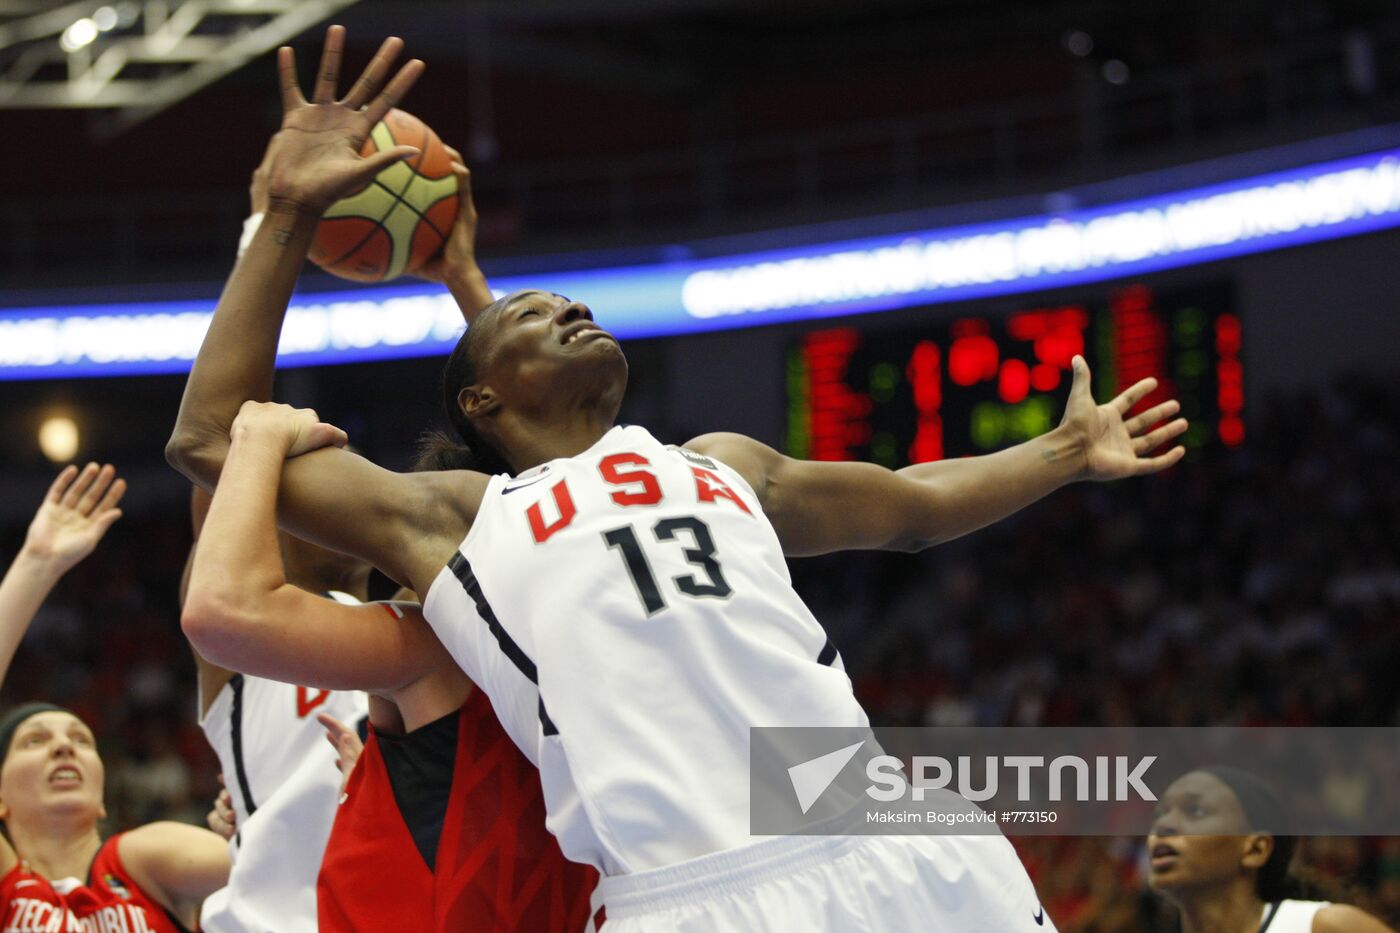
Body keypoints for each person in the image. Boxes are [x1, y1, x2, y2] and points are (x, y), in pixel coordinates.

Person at [169, 25, 1188, 930]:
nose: (567, 306)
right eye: (534, 314)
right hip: (689, 886)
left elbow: (912, 505)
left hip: (893, 833)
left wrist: (1061, 452)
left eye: (567, 300)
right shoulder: (458, 522)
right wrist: (286, 217)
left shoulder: (718, 465)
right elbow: (216, 435)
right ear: (479, 404)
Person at [187, 132, 490, 933]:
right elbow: (215, 443)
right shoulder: (423, 646)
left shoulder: (721, 476)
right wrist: (270, 227)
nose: (337, 468)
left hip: (746, 854)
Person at [185, 432, 598, 930]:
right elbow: (209, 453)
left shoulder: (442, 621)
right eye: (314, 487)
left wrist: (373, 783)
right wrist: (264, 435)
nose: (336, 499)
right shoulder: (251, 643)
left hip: (411, 903)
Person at [0, 464, 230, 931]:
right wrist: (37, 562)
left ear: (102, 798)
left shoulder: (143, 859)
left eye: (82, 741)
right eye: (34, 741)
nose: (64, 746)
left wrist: (249, 825)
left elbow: (285, 861)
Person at [1148, 768, 1392, 933]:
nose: (1163, 825)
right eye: (1161, 813)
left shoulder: (1322, 926)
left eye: (1195, 810)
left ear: (1255, 849)